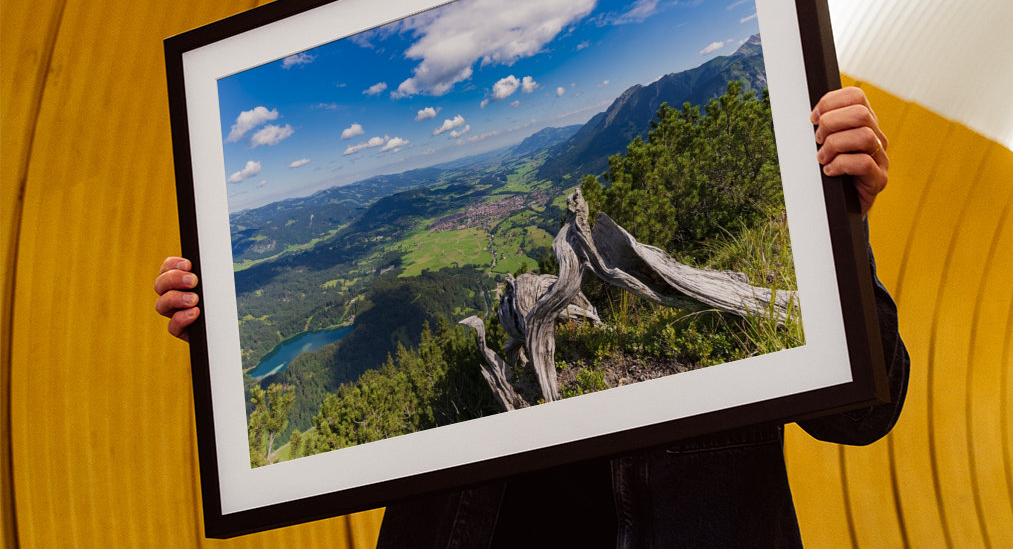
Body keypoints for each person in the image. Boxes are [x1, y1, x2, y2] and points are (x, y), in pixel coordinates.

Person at [155, 87, 908, 548]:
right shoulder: (507, 341)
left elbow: (865, 414)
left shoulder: (767, 219)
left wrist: (839, 223)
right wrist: (223, 329)